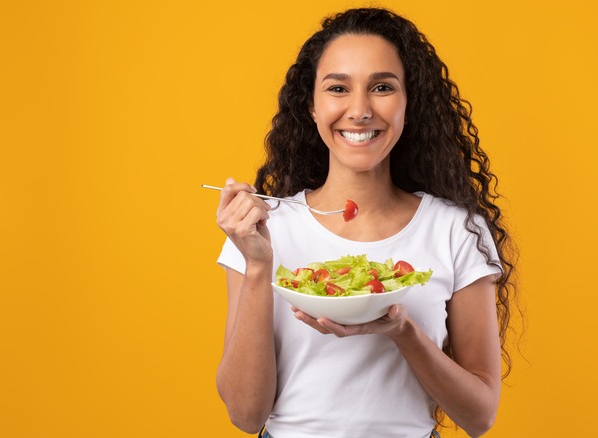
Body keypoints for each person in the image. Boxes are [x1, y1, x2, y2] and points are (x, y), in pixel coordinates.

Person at [214, 7, 517, 438]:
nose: (359, 111)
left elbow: (479, 416)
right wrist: (259, 266)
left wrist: (403, 331)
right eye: (338, 88)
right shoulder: (262, 228)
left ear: (409, 104)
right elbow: (245, 416)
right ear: (312, 108)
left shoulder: (455, 230)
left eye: (381, 87)